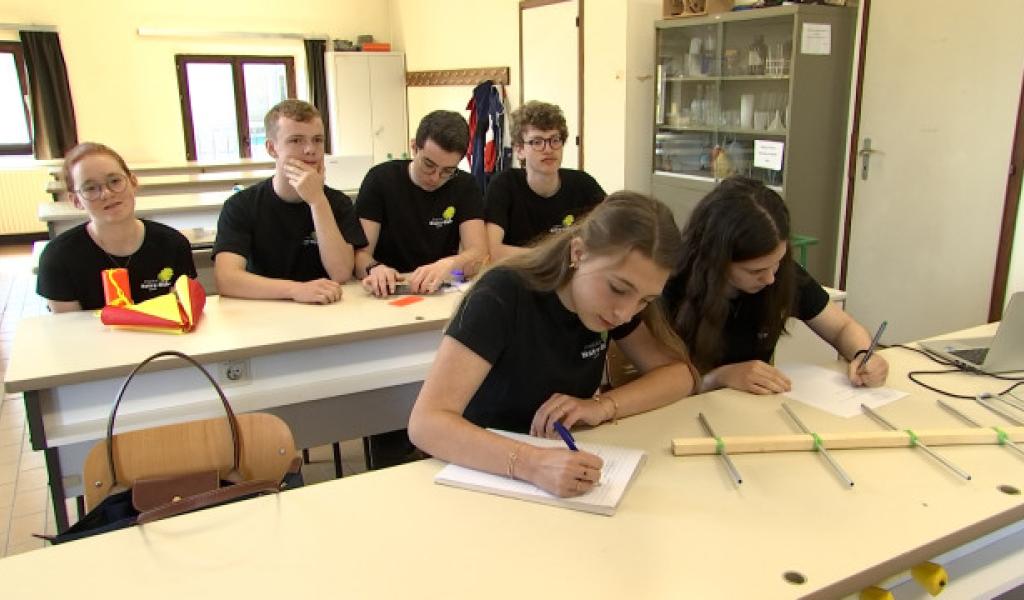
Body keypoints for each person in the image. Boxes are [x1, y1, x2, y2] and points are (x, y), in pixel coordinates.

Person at [409, 191, 696, 497]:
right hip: (476, 471)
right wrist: (532, 464)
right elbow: (427, 423)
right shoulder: (503, 293)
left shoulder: (611, 308)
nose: (625, 314)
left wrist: (601, 406)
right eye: (617, 288)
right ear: (578, 253)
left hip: (554, 470)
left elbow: (679, 376)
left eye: (645, 300)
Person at [664, 176, 889, 394]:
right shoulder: (669, 286)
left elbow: (842, 327)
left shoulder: (781, 274)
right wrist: (719, 378)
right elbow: (657, 383)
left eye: (778, 262)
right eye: (755, 271)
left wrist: (862, 354)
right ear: (717, 260)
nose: (770, 279)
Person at [213, 99, 367, 304]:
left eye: (318, 140)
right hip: (266, 309)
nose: (310, 149)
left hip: (326, 307)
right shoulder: (241, 205)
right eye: (296, 140)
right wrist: (296, 290)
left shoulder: (338, 202)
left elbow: (341, 273)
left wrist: (317, 201)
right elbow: (227, 279)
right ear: (272, 148)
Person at [37, 142, 197, 312]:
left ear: (133, 182)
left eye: (114, 181)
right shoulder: (58, 258)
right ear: (76, 200)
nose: (107, 193)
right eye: (90, 188)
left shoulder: (173, 244)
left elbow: (183, 313)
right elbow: (67, 325)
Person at [355, 110, 488, 297]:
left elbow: (480, 254)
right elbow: (359, 255)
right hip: (388, 291)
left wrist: (449, 265)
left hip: (438, 290)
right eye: (428, 165)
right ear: (414, 148)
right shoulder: (380, 180)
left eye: (448, 171)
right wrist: (374, 268)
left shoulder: (465, 185)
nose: (435, 178)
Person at [484, 100, 605, 262]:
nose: (548, 149)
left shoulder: (583, 184)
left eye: (555, 140)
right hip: (520, 273)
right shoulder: (504, 184)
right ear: (519, 150)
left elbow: (614, 234)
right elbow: (492, 251)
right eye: (537, 142)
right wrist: (556, 257)